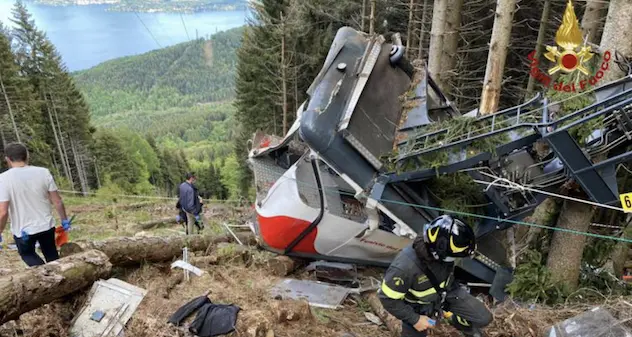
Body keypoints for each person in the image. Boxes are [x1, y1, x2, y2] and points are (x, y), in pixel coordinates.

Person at [378, 215, 492, 337]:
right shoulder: (404, 268)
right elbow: (387, 299)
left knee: (483, 318)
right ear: (438, 252)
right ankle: (431, 319)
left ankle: (454, 319)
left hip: (447, 293)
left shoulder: (445, 250)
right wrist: (415, 319)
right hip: (417, 307)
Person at [0, 142, 72, 267]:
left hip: (23, 230)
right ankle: (58, 274)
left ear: (7, 159)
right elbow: (57, 201)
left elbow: (3, 212)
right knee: (51, 254)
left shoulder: (3, 179)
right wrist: (64, 220)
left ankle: (44, 275)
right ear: (27, 156)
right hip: (46, 225)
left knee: (28, 255)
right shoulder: (43, 172)